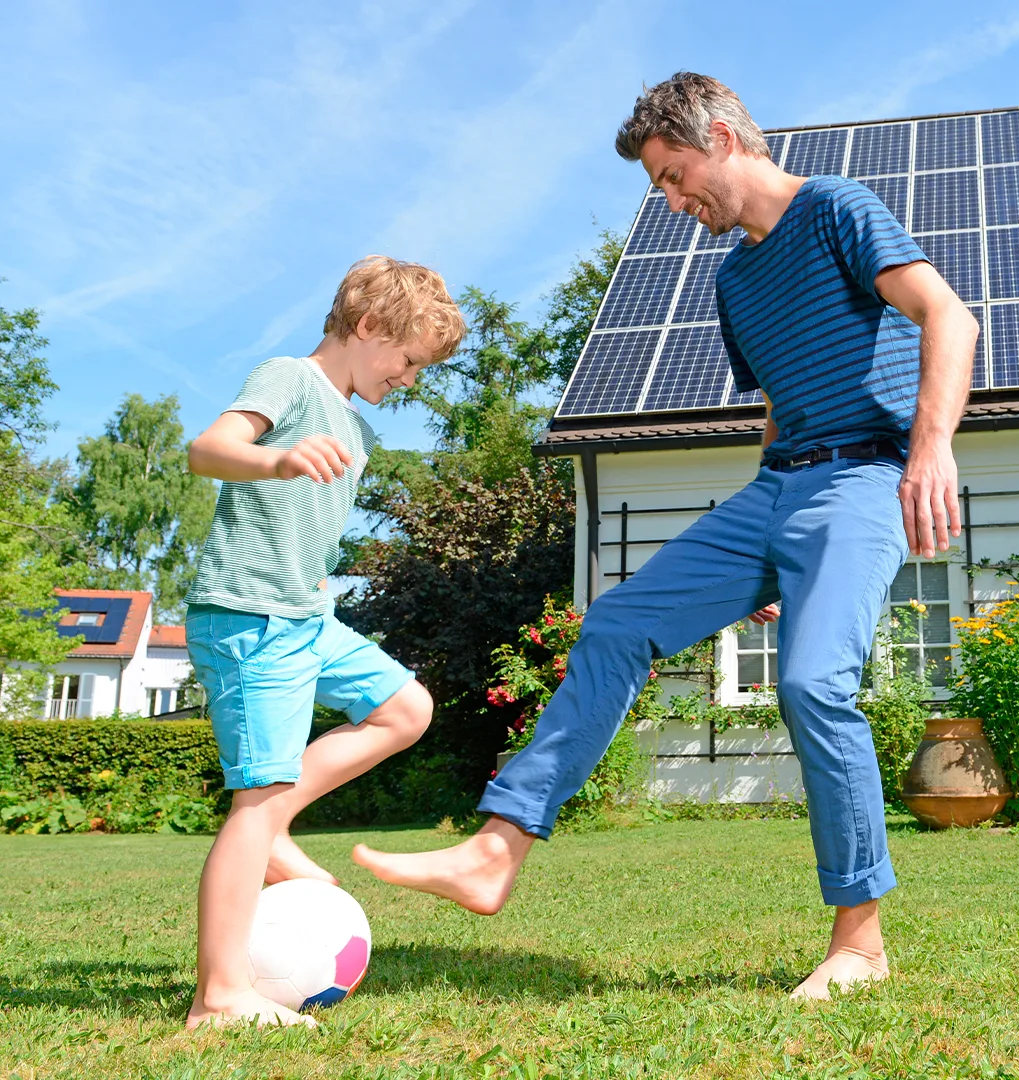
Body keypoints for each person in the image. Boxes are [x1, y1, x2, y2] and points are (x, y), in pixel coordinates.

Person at [353, 72, 975, 1001]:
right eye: (660, 186)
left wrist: (930, 451)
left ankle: (860, 942)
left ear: (724, 138)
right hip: (780, 489)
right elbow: (779, 411)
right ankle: (496, 848)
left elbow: (947, 316)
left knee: (812, 685)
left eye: (675, 175)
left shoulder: (839, 209)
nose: (672, 200)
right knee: (615, 624)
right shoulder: (735, 280)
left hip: (864, 476)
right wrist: (759, 551)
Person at [181, 256, 466, 1028]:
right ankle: (220, 995)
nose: (410, 378)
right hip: (249, 617)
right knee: (258, 795)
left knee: (405, 709)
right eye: (407, 360)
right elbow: (207, 449)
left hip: (304, 618)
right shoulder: (290, 379)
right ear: (368, 328)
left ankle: (269, 828)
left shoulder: (354, 424)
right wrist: (274, 457)